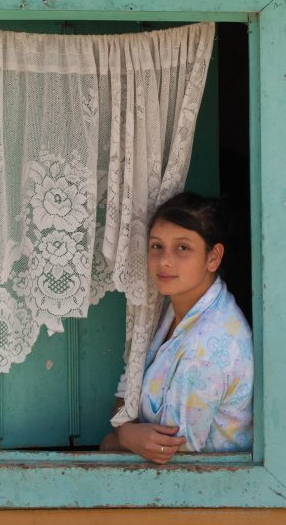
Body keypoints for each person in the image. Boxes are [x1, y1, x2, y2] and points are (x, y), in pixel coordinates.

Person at [99, 192, 253, 464]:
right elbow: (127, 388)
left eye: (182, 248)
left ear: (213, 257)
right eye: (157, 246)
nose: (164, 261)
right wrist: (127, 431)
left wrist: (118, 438)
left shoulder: (206, 349)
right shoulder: (170, 309)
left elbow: (169, 458)